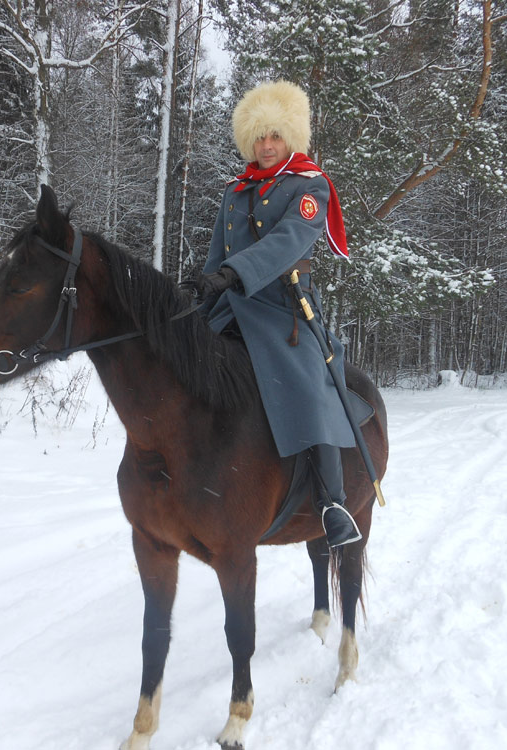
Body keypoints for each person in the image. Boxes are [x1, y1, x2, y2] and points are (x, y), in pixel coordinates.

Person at [195, 80, 361, 548]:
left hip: (285, 307)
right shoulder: (236, 190)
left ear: (292, 137)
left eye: (276, 136)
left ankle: (332, 504)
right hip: (229, 303)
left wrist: (232, 274)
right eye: (259, 138)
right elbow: (216, 255)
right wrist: (199, 293)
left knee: (308, 386)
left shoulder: (310, 187)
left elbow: (288, 242)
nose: (266, 147)